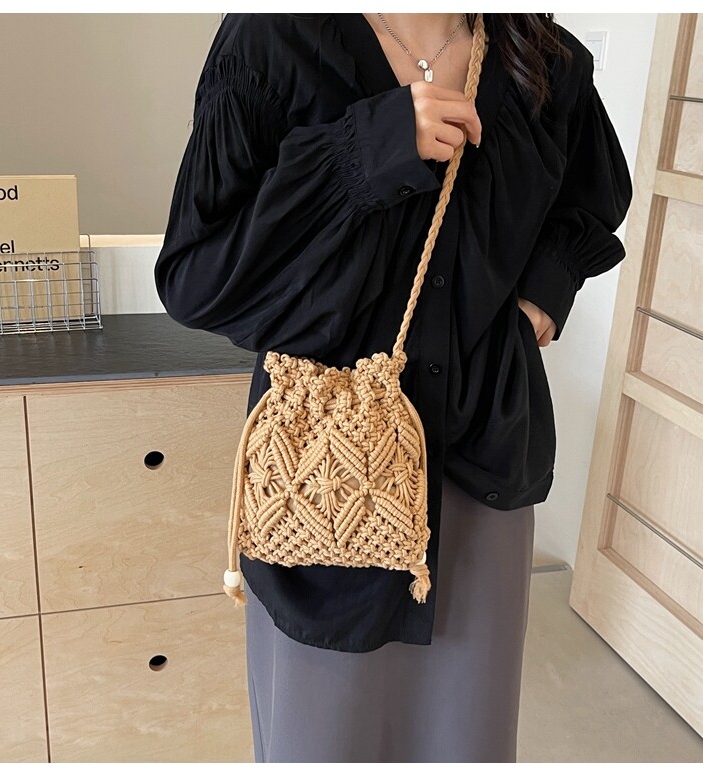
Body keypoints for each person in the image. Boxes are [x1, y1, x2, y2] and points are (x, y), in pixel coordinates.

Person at [155, 13, 633, 763]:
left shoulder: (541, 56)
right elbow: (197, 277)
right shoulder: (273, 39)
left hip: (480, 462)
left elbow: (591, 191)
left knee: (466, 738)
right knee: (323, 739)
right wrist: (361, 154)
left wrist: (546, 291)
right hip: (323, 473)